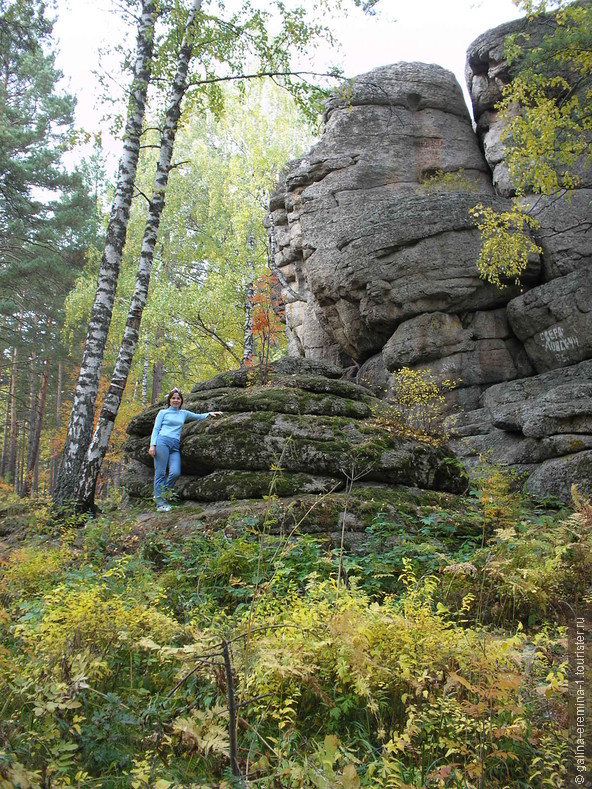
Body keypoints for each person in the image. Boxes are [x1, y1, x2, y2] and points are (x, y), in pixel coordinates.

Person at [149, 388, 222, 511]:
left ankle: (161, 496)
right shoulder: (163, 412)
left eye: (178, 398)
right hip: (162, 442)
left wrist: (210, 414)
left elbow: (198, 416)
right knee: (160, 473)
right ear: (169, 400)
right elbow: (156, 429)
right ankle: (160, 503)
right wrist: (152, 445)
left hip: (175, 446)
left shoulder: (183, 413)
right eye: (173, 398)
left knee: (175, 472)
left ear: (181, 400)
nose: (176, 400)